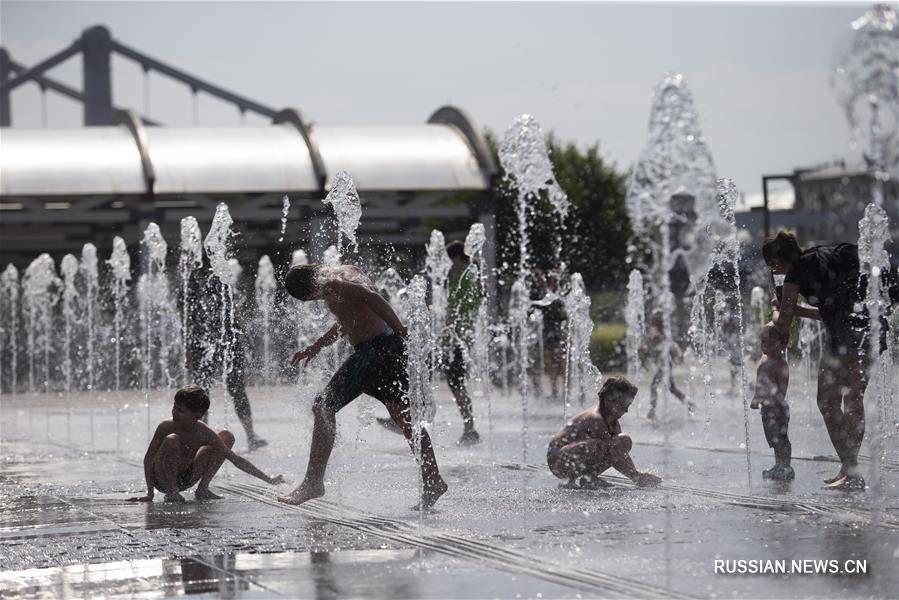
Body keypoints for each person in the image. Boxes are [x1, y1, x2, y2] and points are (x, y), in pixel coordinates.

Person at [277, 263, 448, 509]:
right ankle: (432, 479)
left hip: (375, 352)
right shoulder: (340, 277)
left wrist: (400, 328)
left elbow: (372, 298)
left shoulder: (331, 285)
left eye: (309, 298)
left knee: (323, 406)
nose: (314, 301)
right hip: (386, 350)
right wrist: (316, 345)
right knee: (404, 418)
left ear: (308, 289)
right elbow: (348, 320)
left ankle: (313, 482)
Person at [764, 230, 886, 491]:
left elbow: (782, 325)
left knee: (828, 401)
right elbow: (830, 309)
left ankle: (851, 471)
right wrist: (795, 308)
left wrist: (777, 305)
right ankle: (848, 469)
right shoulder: (824, 255)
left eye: (773, 266)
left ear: (777, 262)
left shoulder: (795, 271)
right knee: (853, 398)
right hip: (872, 327)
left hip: (845, 336)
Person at [127, 385, 283, 503]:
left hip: (187, 477)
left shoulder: (203, 432)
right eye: (174, 407)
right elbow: (149, 459)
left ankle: (203, 489)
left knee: (226, 437)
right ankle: (172, 491)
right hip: (162, 479)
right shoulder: (165, 427)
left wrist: (269, 480)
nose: (174, 412)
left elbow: (234, 459)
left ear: (197, 416)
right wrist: (150, 493)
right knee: (172, 439)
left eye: (181, 410)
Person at [185, 268, 267, 451]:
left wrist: (245, 334)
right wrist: (188, 348)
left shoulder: (218, 277)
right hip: (203, 341)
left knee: (236, 388)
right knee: (201, 392)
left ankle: (250, 435)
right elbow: (187, 319)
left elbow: (232, 310)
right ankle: (202, 436)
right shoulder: (190, 284)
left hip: (227, 339)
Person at [547, 376, 661, 489]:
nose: (626, 411)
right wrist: (636, 477)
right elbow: (613, 452)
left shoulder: (612, 422)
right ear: (607, 399)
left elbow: (618, 452)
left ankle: (589, 477)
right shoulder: (596, 419)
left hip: (572, 457)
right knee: (599, 445)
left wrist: (636, 475)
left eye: (628, 406)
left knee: (623, 441)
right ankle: (568, 481)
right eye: (622, 405)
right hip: (558, 459)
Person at [444, 240, 481, 445]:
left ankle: (470, 428)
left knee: (456, 383)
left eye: (450, 260)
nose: (449, 265)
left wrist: (448, 322)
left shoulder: (466, 277)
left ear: (458, 257)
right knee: (424, 372)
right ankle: (469, 427)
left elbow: (459, 308)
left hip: (458, 340)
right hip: (454, 339)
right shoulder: (466, 275)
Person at [750, 323, 793, 480]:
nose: (767, 347)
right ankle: (778, 465)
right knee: (773, 438)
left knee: (782, 438)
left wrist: (777, 402)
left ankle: (786, 466)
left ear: (782, 344)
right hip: (767, 408)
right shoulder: (764, 361)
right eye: (764, 343)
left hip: (778, 408)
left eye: (772, 344)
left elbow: (783, 388)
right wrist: (756, 397)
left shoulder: (781, 364)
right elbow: (759, 381)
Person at [643, 310, 694, 420]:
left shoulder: (662, 333)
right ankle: (688, 404)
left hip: (664, 363)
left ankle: (652, 411)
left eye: (654, 319)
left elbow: (673, 345)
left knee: (653, 386)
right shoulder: (656, 332)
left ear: (658, 321)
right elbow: (651, 346)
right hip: (663, 363)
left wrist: (680, 354)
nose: (652, 321)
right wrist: (645, 347)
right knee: (672, 388)